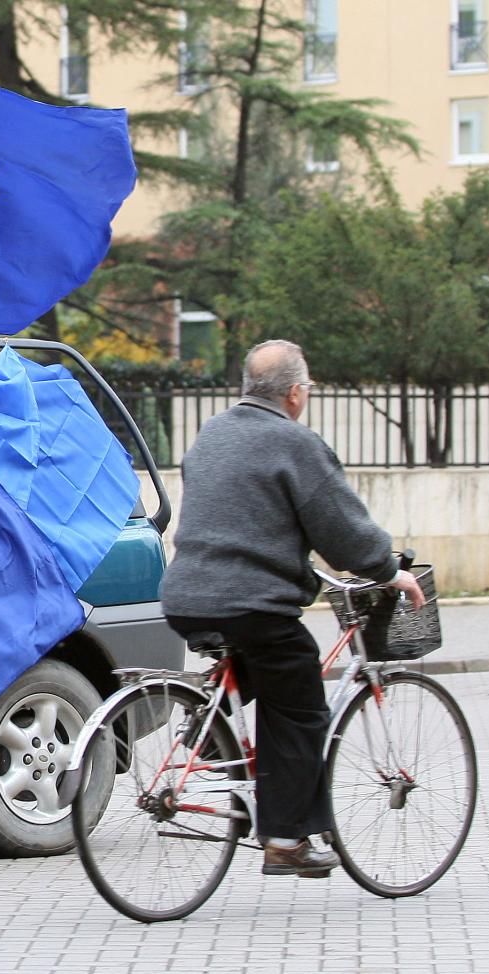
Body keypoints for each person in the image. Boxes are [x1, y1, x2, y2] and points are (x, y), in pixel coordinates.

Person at [159, 340, 425, 878]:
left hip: (185, 594)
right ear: (296, 393)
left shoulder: (212, 433)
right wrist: (387, 569)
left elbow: (237, 513)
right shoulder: (295, 443)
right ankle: (286, 838)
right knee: (300, 698)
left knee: (259, 661)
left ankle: (210, 732)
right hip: (250, 601)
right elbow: (342, 530)